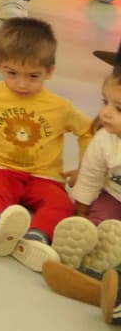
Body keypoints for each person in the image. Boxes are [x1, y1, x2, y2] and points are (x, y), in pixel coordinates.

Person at [0, 17, 90, 270]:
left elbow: (87, 130)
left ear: (50, 71)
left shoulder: (59, 107)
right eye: (12, 73)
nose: (21, 84)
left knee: (61, 203)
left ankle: (37, 237)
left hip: (44, 176)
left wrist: (85, 169)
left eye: (33, 76)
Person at [41, 70, 121, 312]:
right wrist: (80, 213)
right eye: (104, 102)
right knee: (100, 221)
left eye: (119, 109)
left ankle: (106, 276)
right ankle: (84, 255)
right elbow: (90, 177)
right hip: (113, 196)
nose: (105, 112)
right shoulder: (105, 139)